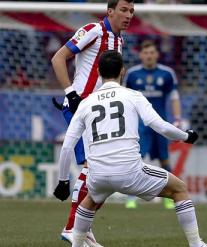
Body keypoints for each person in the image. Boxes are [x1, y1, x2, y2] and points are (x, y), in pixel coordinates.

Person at [53, 50, 207, 247]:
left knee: (89, 202)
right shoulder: (132, 95)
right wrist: (186, 136)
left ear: (98, 71)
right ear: (122, 71)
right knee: (179, 189)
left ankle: (77, 245)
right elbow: (159, 125)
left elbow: (68, 144)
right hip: (129, 171)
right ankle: (196, 244)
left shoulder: (86, 103)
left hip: (98, 174)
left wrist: (62, 181)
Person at [50, 0, 134, 245]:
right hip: (81, 107)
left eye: (131, 11)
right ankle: (73, 227)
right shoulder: (93, 30)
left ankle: (81, 227)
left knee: (104, 169)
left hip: (101, 111)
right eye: (124, 10)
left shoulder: (119, 41)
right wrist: (70, 93)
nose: (128, 15)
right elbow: (59, 58)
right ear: (110, 11)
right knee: (95, 165)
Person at [123, 40, 182, 209]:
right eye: (146, 53)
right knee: (137, 158)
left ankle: (169, 197)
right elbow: (125, 98)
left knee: (164, 159)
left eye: (152, 53)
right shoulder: (132, 75)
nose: (149, 56)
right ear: (141, 55)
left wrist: (177, 118)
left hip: (160, 123)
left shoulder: (167, 74)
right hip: (140, 125)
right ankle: (131, 197)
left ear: (157, 54)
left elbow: (174, 96)